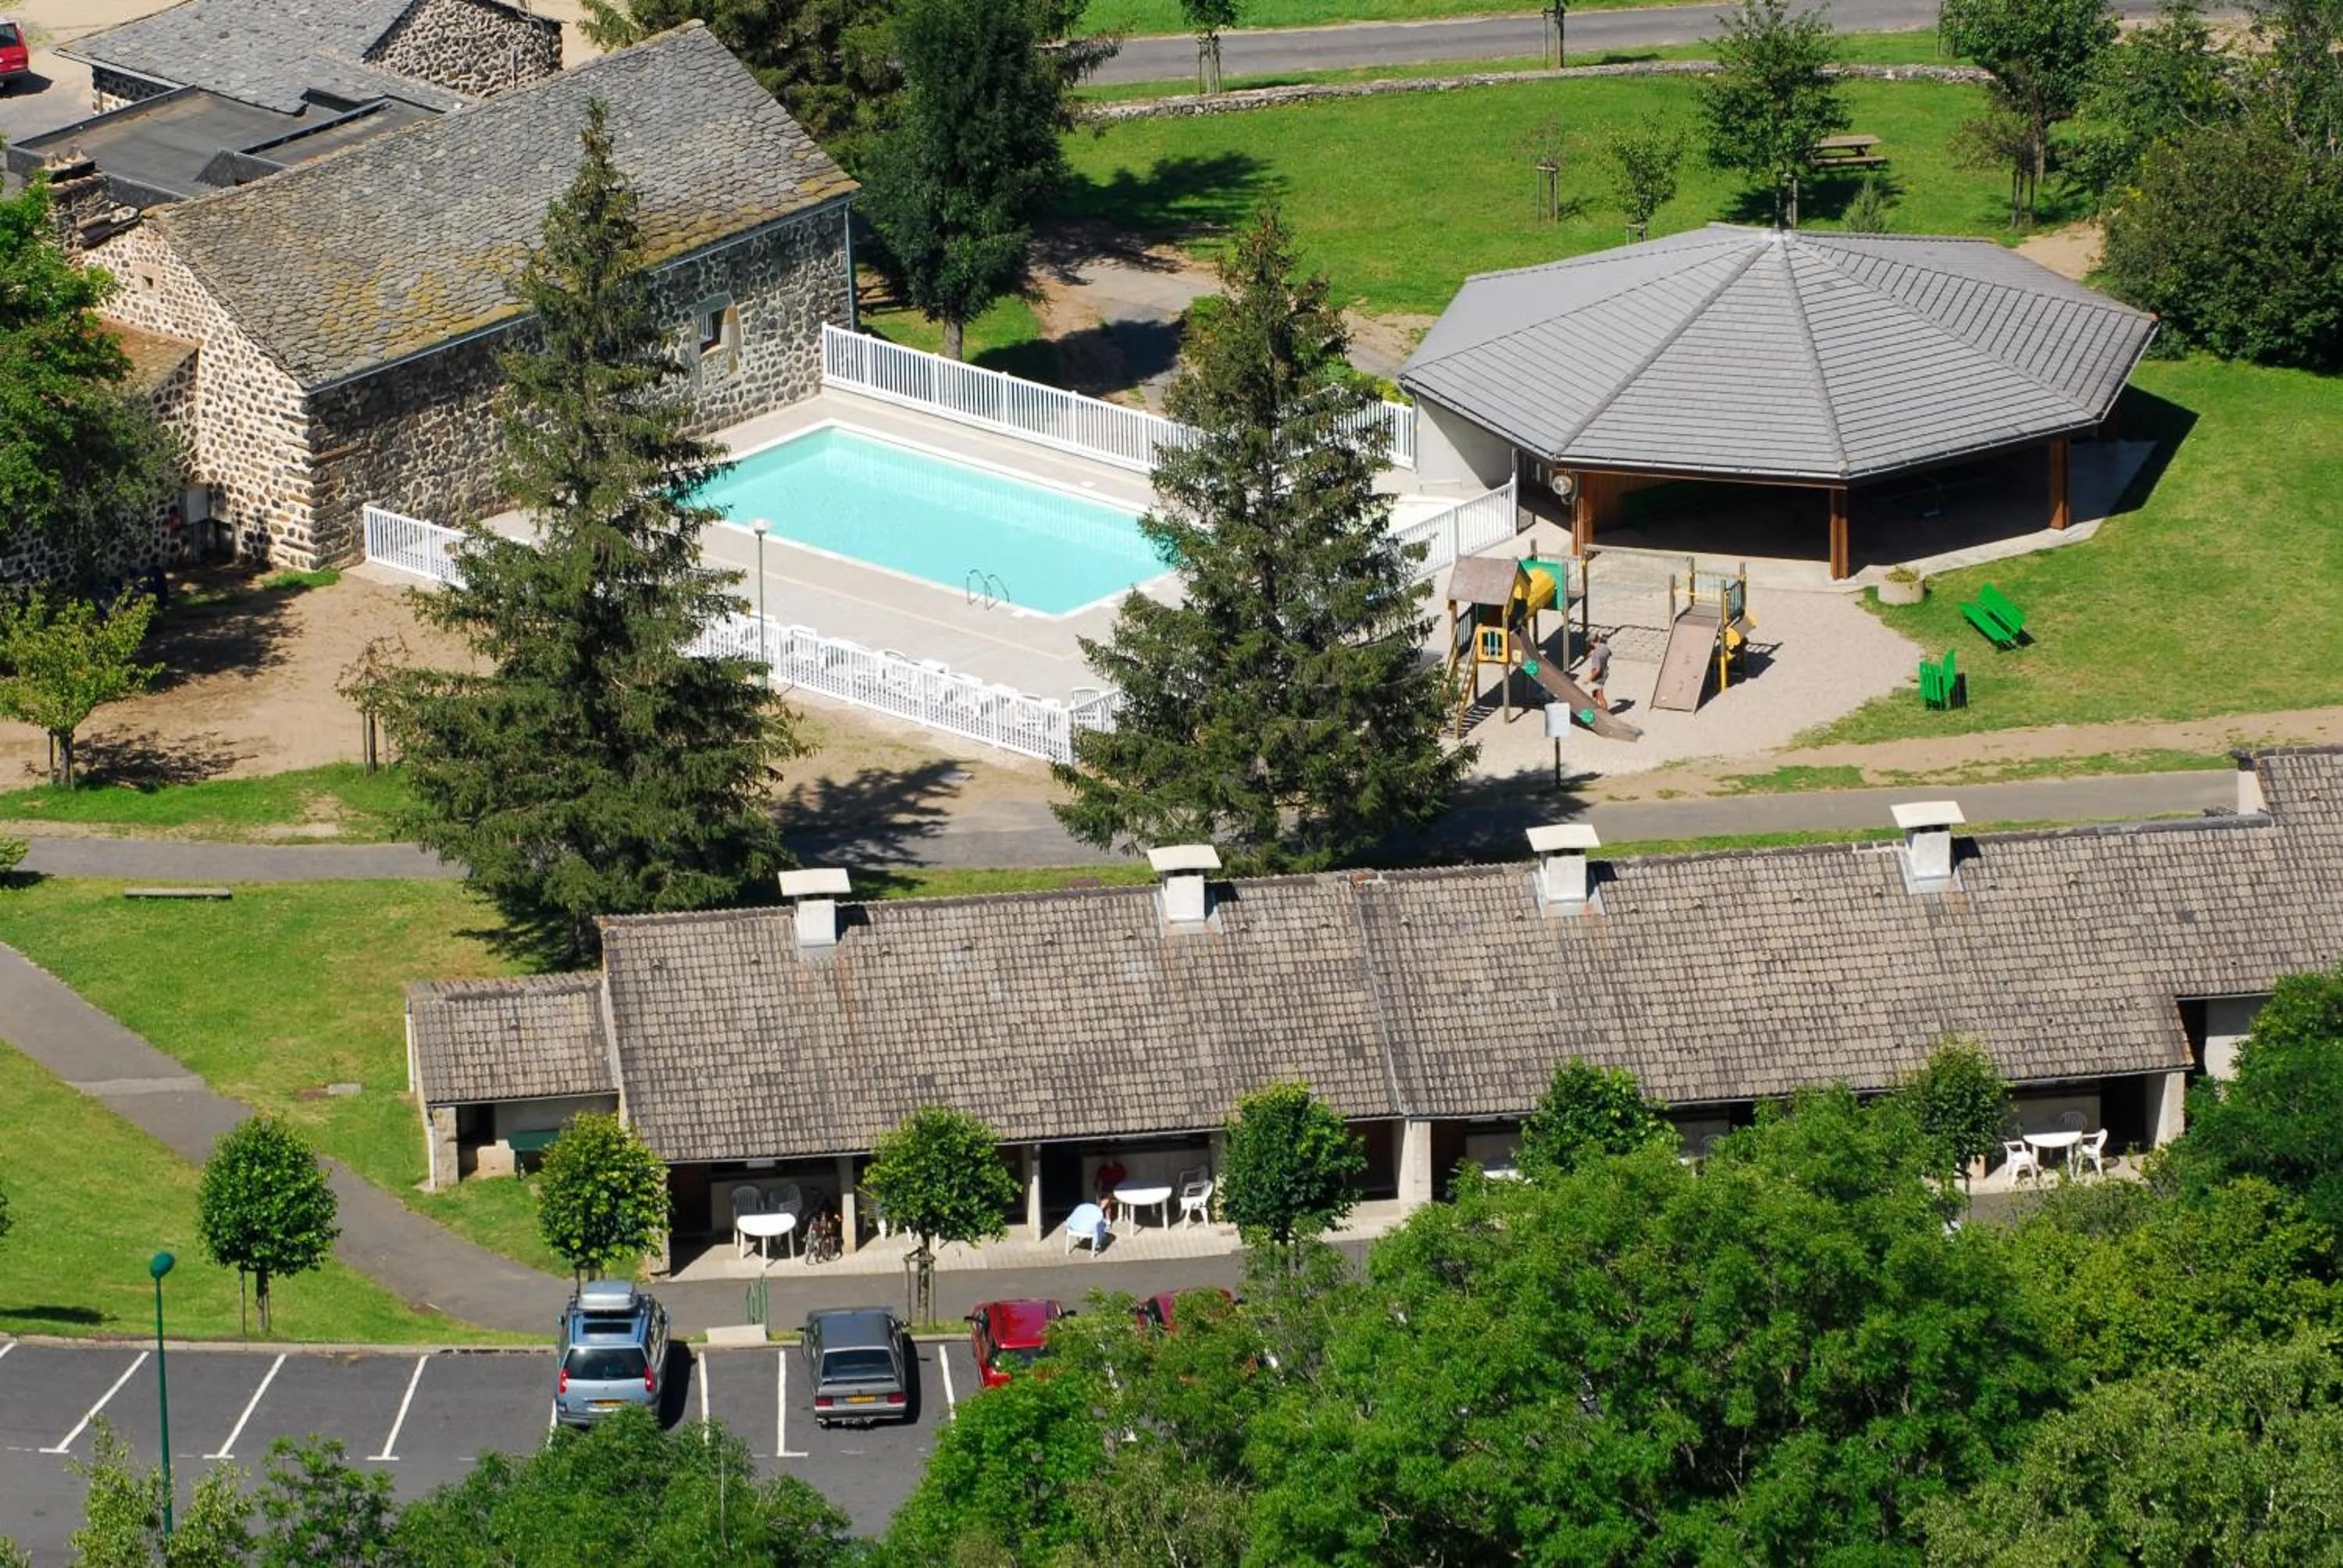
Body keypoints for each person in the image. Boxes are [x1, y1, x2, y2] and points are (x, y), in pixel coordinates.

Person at [1582, 633, 1611, 713]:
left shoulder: (1596, 654)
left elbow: (1597, 670)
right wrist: (1594, 650)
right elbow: (1609, 653)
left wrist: (1588, 680)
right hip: (1604, 673)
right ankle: (1594, 712)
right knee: (1594, 695)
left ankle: (1606, 714)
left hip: (1598, 676)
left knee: (1600, 696)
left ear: (1591, 642)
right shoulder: (1605, 648)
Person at [1094, 1153, 1127, 1220]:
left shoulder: (1119, 1168)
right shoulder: (1102, 1169)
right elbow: (1100, 1182)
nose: (1108, 1162)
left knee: (1107, 1198)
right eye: (1106, 1161)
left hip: (1118, 1188)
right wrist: (1098, 1193)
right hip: (1107, 1189)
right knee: (1108, 1200)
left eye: (1110, 1160)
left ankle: (1101, 1210)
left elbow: (1124, 1180)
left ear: (1113, 1160)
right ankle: (1108, 1219)